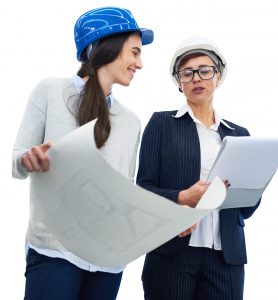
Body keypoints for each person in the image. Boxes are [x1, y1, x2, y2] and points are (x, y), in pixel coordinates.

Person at [12, 6, 153, 300]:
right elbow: (17, 162)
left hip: (107, 261)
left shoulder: (131, 122)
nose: (140, 64)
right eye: (135, 52)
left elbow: (124, 192)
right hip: (54, 252)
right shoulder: (51, 91)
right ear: (107, 47)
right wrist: (28, 159)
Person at [136, 36, 260, 300]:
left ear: (218, 76)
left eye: (205, 71)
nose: (196, 78)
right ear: (179, 83)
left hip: (226, 257)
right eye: (187, 73)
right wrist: (181, 198)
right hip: (172, 253)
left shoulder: (239, 134)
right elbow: (143, 190)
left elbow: (247, 210)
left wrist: (255, 186)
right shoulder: (161, 124)